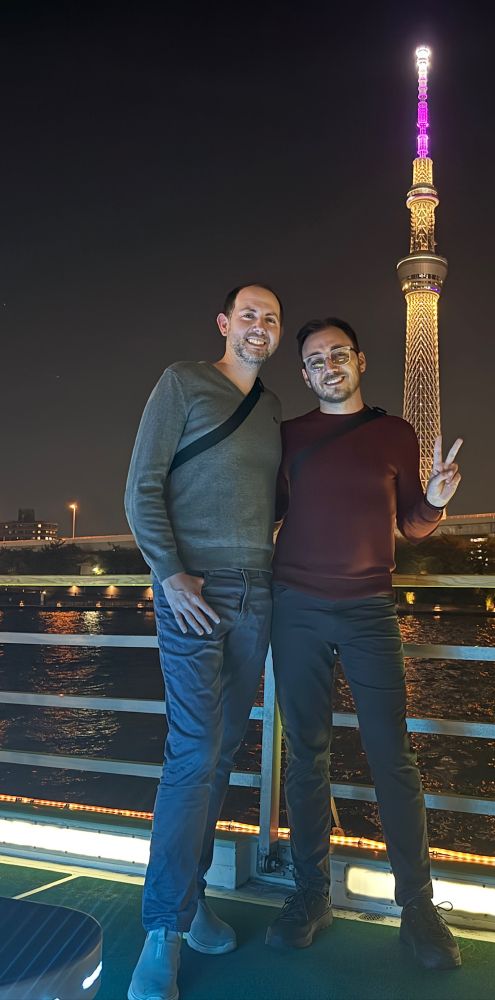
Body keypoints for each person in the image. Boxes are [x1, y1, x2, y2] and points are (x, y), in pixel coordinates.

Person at [266, 317, 463, 971]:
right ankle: (310, 894)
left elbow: (412, 523)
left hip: (369, 609)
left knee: (392, 757)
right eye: (315, 358)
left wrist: (433, 500)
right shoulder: (287, 437)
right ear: (304, 373)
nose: (328, 364)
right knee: (306, 758)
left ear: (361, 360)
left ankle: (419, 909)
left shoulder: (394, 434)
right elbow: (261, 513)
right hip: (294, 608)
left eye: (338, 353)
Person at [124, 283, 283, 1000]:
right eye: (248, 315)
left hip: (257, 593)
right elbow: (141, 486)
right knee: (192, 755)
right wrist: (171, 574)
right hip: (193, 593)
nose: (260, 326)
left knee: (219, 755)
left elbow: (285, 502)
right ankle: (161, 931)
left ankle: (189, 905)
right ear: (225, 324)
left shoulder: (275, 410)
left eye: (270, 319)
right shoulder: (182, 381)